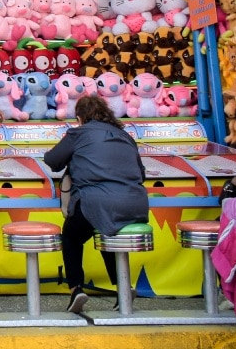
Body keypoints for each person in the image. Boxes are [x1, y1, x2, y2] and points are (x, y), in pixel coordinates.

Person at [44, 95, 149, 314]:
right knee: (105, 231)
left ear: (80, 118)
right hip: (136, 203)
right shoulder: (124, 136)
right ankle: (122, 288)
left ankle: (76, 289)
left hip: (97, 202)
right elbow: (141, 173)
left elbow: (52, 160)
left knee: (72, 235)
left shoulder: (79, 133)